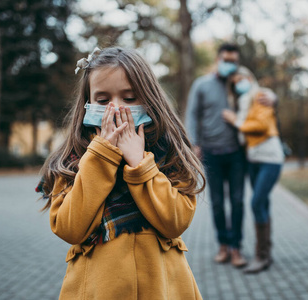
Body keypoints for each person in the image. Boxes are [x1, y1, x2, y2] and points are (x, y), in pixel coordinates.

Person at [37, 46, 205, 299]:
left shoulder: (169, 153)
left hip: (163, 288)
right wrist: (101, 156)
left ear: (150, 100)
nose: (116, 109)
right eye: (103, 101)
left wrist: (139, 162)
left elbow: (175, 222)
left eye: (129, 98)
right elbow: (70, 228)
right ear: (88, 104)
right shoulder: (72, 160)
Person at [185, 43, 247, 267]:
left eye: (234, 61)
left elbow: (258, 103)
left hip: (237, 153)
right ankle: (223, 245)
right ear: (218, 59)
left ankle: (236, 248)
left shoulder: (240, 85)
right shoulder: (201, 85)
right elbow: (192, 115)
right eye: (226, 60)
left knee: (238, 201)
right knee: (218, 202)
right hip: (211, 153)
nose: (230, 65)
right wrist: (194, 143)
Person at [222, 66, 284, 273]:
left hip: (270, 158)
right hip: (253, 159)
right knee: (263, 202)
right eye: (235, 82)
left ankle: (260, 256)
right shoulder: (242, 102)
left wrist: (236, 121)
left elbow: (262, 125)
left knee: (256, 202)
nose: (239, 83)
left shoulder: (261, 96)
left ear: (250, 77)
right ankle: (266, 254)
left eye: (242, 79)